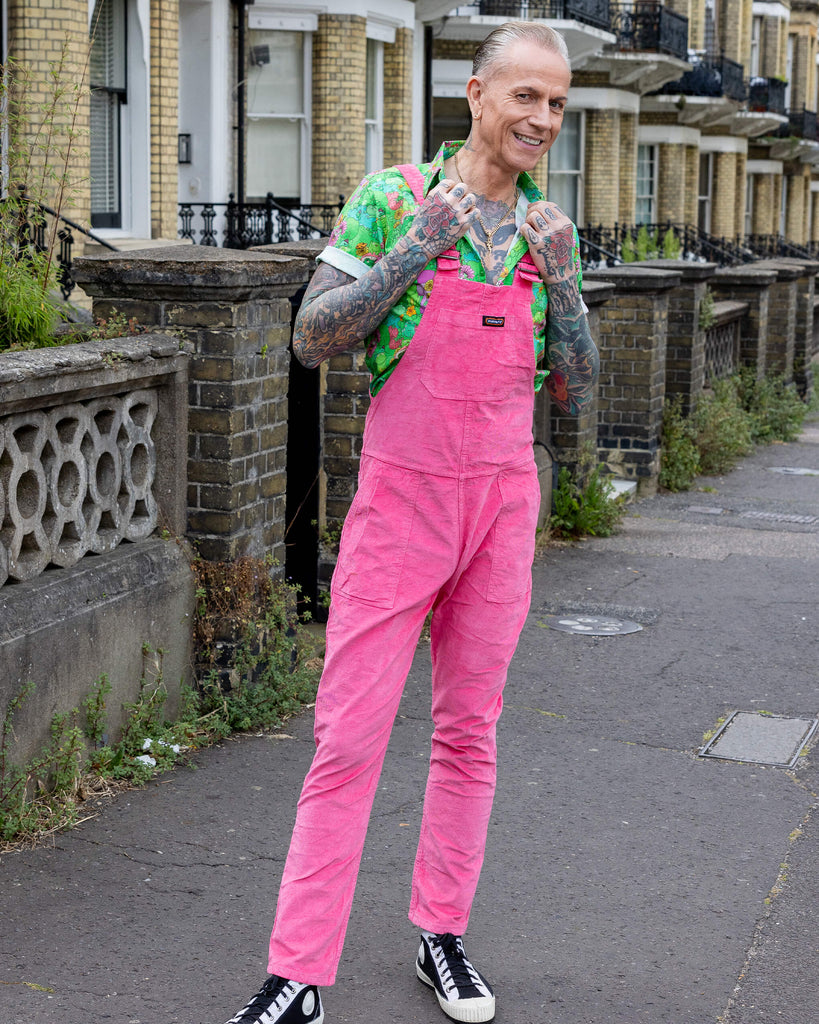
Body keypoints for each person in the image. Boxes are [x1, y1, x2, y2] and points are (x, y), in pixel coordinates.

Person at [225, 21, 598, 1024]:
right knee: (348, 737)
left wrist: (564, 284)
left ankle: (442, 934)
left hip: (500, 506)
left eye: (558, 104)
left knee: (469, 734)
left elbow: (575, 391)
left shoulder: (544, 231)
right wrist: (417, 247)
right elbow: (311, 337)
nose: (543, 119)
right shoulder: (395, 196)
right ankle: (297, 972)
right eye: (528, 96)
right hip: (401, 504)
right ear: (476, 93)